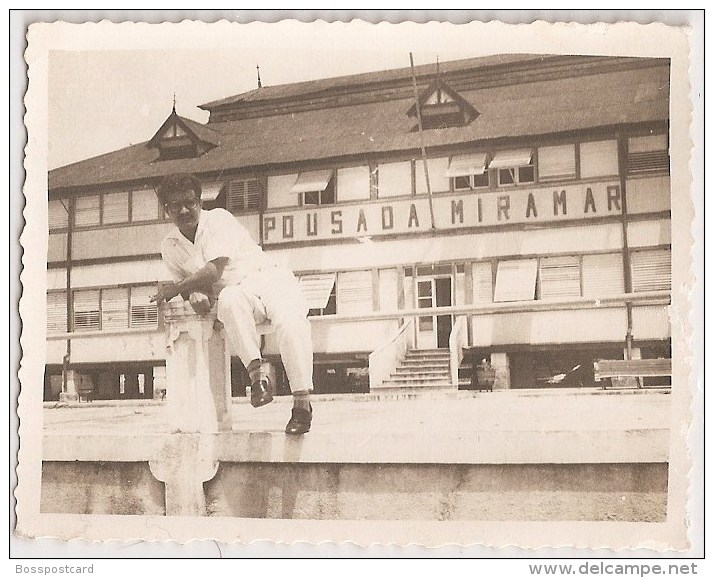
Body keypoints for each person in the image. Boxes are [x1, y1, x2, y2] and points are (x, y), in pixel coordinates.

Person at [150, 173, 313, 434]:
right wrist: (190, 294)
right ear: (166, 210)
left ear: (199, 201)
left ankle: (302, 405)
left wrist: (177, 289)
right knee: (228, 301)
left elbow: (213, 271)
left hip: (268, 277)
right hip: (239, 291)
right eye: (175, 205)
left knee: (290, 323)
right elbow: (189, 282)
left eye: (190, 202)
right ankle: (258, 379)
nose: (184, 210)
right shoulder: (169, 245)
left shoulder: (218, 220)